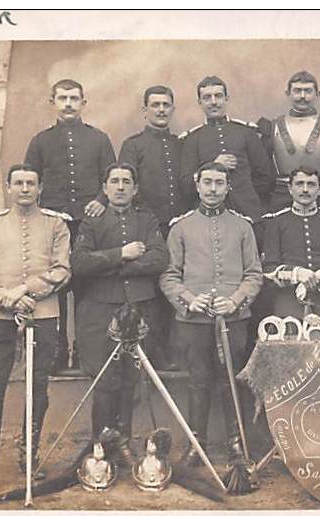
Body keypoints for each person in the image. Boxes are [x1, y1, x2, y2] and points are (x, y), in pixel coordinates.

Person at [0, 164, 71, 497]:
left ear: (40, 188)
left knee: (37, 386)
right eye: (18, 183)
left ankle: (28, 457)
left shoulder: (56, 223)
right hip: (0, 316)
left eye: (31, 183)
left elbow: (62, 270)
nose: (24, 189)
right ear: (8, 188)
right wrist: (6, 300)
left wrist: (24, 292)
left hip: (45, 314)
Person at [160, 162, 263, 464]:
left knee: (232, 379)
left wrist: (236, 301)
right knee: (198, 379)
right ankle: (197, 444)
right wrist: (188, 300)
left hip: (233, 319)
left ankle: (237, 442)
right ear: (197, 184)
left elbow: (254, 274)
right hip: (193, 320)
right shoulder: (181, 227)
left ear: (228, 187)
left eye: (219, 183)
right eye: (207, 182)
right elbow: (168, 275)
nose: (213, 189)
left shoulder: (242, 227)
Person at [71, 162, 168, 466]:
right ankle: (101, 445)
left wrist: (113, 269)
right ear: (105, 187)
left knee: (131, 378)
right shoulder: (92, 222)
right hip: (101, 310)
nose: (121, 186)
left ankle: (123, 442)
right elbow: (80, 263)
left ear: (136, 189)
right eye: (114, 181)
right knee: (105, 379)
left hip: (139, 308)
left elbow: (159, 258)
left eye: (127, 181)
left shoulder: (146, 218)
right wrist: (121, 254)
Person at [24, 78, 117, 372]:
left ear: (83, 103)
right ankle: (57, 352)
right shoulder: (41, 141)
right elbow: (30, 180)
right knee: (56, 289)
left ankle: (85, 352)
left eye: (74, 99)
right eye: (62, 98)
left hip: (90, 226)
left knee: (88, 289)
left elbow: (112, 176)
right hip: (54, 227)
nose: (68, 104)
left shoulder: (99, 139)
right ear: (52, 102)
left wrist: (102, 199)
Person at [118, 84, 184, 370]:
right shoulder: (133, 145)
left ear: (172, 109)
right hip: (146, 227)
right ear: (145, 110)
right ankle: (146, 352)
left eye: (166, 105)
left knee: (175, 286)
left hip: (178, 226)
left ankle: (170, 353)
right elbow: (124, 182)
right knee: (149, 291)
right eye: (154, 105)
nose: (160, 110)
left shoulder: (181, 144)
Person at [258, 70, 320, 215]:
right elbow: (261, 172)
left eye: (308, 91)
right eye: (297, 91)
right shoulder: (273, 127)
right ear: (288, 93)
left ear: (317, 94)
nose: (303, 96)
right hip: (282, 200)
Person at [178, 76, 275, 222]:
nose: (213, 102)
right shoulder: (192, 139)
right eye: (207, 97)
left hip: (247, 213)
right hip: (208, 217)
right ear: (200, 102)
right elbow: (186, 185)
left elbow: (265, 177)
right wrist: (214, 166)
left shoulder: (246, 132)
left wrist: (245, 194)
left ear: (226, 98)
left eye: (218, 96)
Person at [261, 166, 320, 318]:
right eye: (299, 184)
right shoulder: (275, 222)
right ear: (290, 188)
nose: (305, 190)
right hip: (288, 305)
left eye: (311, 184)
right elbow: (269, 269)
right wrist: (297, 274)